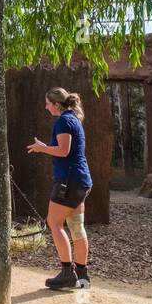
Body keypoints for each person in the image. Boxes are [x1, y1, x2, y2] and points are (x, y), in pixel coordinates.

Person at [27, 88, 93, 291]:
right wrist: (46, 146)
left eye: (48, 103)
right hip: (80, 181)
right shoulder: (74, 119)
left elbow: (63, 151)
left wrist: (42, 148)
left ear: (56, 104)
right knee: (76, 226)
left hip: (68, 182)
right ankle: (82, 273)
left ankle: (67, 273)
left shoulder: (64, 121)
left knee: (54, 223)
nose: (46, 107)